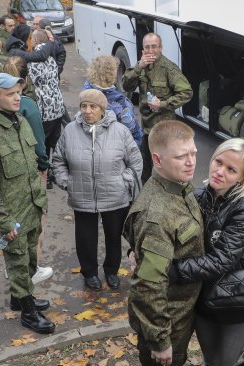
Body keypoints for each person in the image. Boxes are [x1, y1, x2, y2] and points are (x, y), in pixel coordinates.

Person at [156, 138, 244, 366]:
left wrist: (173, 271)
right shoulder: (199, 195)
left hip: (237, 304)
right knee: (213, 364)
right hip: (204, 299)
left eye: (231, 169)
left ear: (242, 176)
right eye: (218, 162)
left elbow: (222, 260)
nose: (221, 171)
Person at [123, 120, 204, 366]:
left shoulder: (178, 187)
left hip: (182, 311)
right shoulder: (157, 213)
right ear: (157, 159)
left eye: (194, 153)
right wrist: (159, 339)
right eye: (181, 156)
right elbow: (146, 285)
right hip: (165, 316)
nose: (191, 162)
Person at [0, 73, 55, 334]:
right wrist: (4, 222)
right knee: (18, 263)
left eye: (18, 91)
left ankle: (19, 299)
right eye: (9, 93)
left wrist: (40, 201)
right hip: (12, 215)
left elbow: (31, 165)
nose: (17, 97)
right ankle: (29, 314)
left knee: (30, 259)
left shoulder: (20, 121)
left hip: (31, 206)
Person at [52, 89, 142, 291]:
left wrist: (123, 181)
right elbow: (58, 160)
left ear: (103, 109)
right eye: (84, 106)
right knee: (85, 238)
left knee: (113, 235)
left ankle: (112, 270)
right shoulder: (70, 131)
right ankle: (90, 272)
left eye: (93, 106)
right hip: (82, 196)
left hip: (115, 195)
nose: (87, 111)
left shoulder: (120, 131)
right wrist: (67, 182)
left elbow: (135, 161)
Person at [3, 56, 53, 285]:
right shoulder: (28, 105)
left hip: (5, 174)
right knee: (34, 222)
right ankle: (32, 271)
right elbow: (39, 144)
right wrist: (44, 167)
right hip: (29, 172)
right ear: (24, 81)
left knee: (10, 221)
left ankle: (11, 267)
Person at [121, 32, 192, 183]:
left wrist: (163, 104)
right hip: (146, 130)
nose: (151, 51)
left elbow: (187, 92)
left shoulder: (169, 69)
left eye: (154, 47)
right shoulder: (140, 66)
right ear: (142, 50)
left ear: (161, 48)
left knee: (164, 169)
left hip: (163, 131)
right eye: (147, 47)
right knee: (145, 170)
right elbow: (126, 85)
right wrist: (139, 67)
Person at [84, 55, 143, 146]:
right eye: (115, 70)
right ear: (110, 74)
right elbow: (133, 134)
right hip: (114, 150)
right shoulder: (120, 102)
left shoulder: (86, 91)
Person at [27, 30, 64, 161]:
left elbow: (32, 83)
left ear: (36, 41)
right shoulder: (51, 58)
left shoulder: (34, 60)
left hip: (45, 110)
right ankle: (58, 168)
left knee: (43, 144)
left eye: (31, 38)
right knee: (56, 142)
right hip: (57, 106)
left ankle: (46, 175)